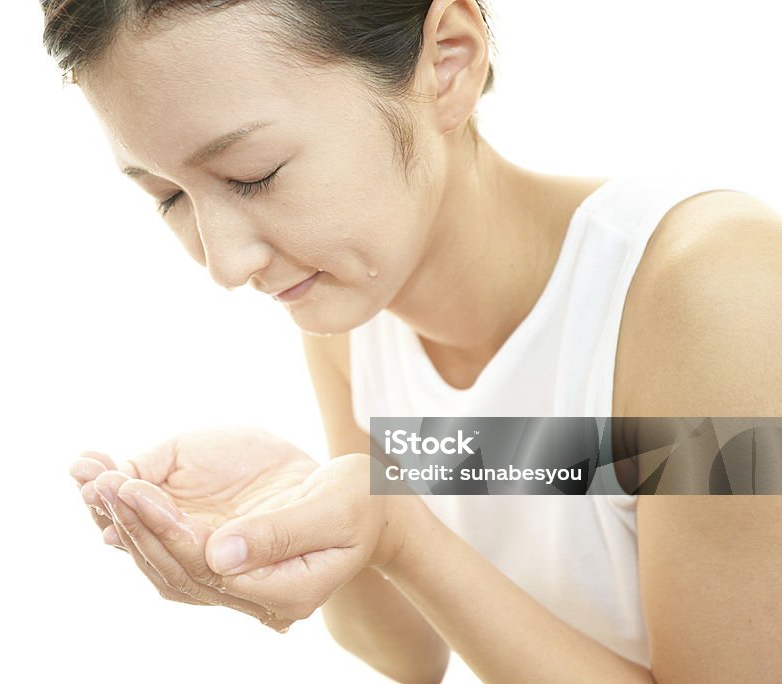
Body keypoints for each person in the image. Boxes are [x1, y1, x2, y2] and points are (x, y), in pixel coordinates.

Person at [44, 1, 782, 681]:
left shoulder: (717, 292)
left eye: (253, 176)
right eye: (167, 195)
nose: (226, 264)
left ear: (448, 63)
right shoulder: (354, 302)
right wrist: (323, 510)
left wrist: (399, 528)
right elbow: (407, 651)